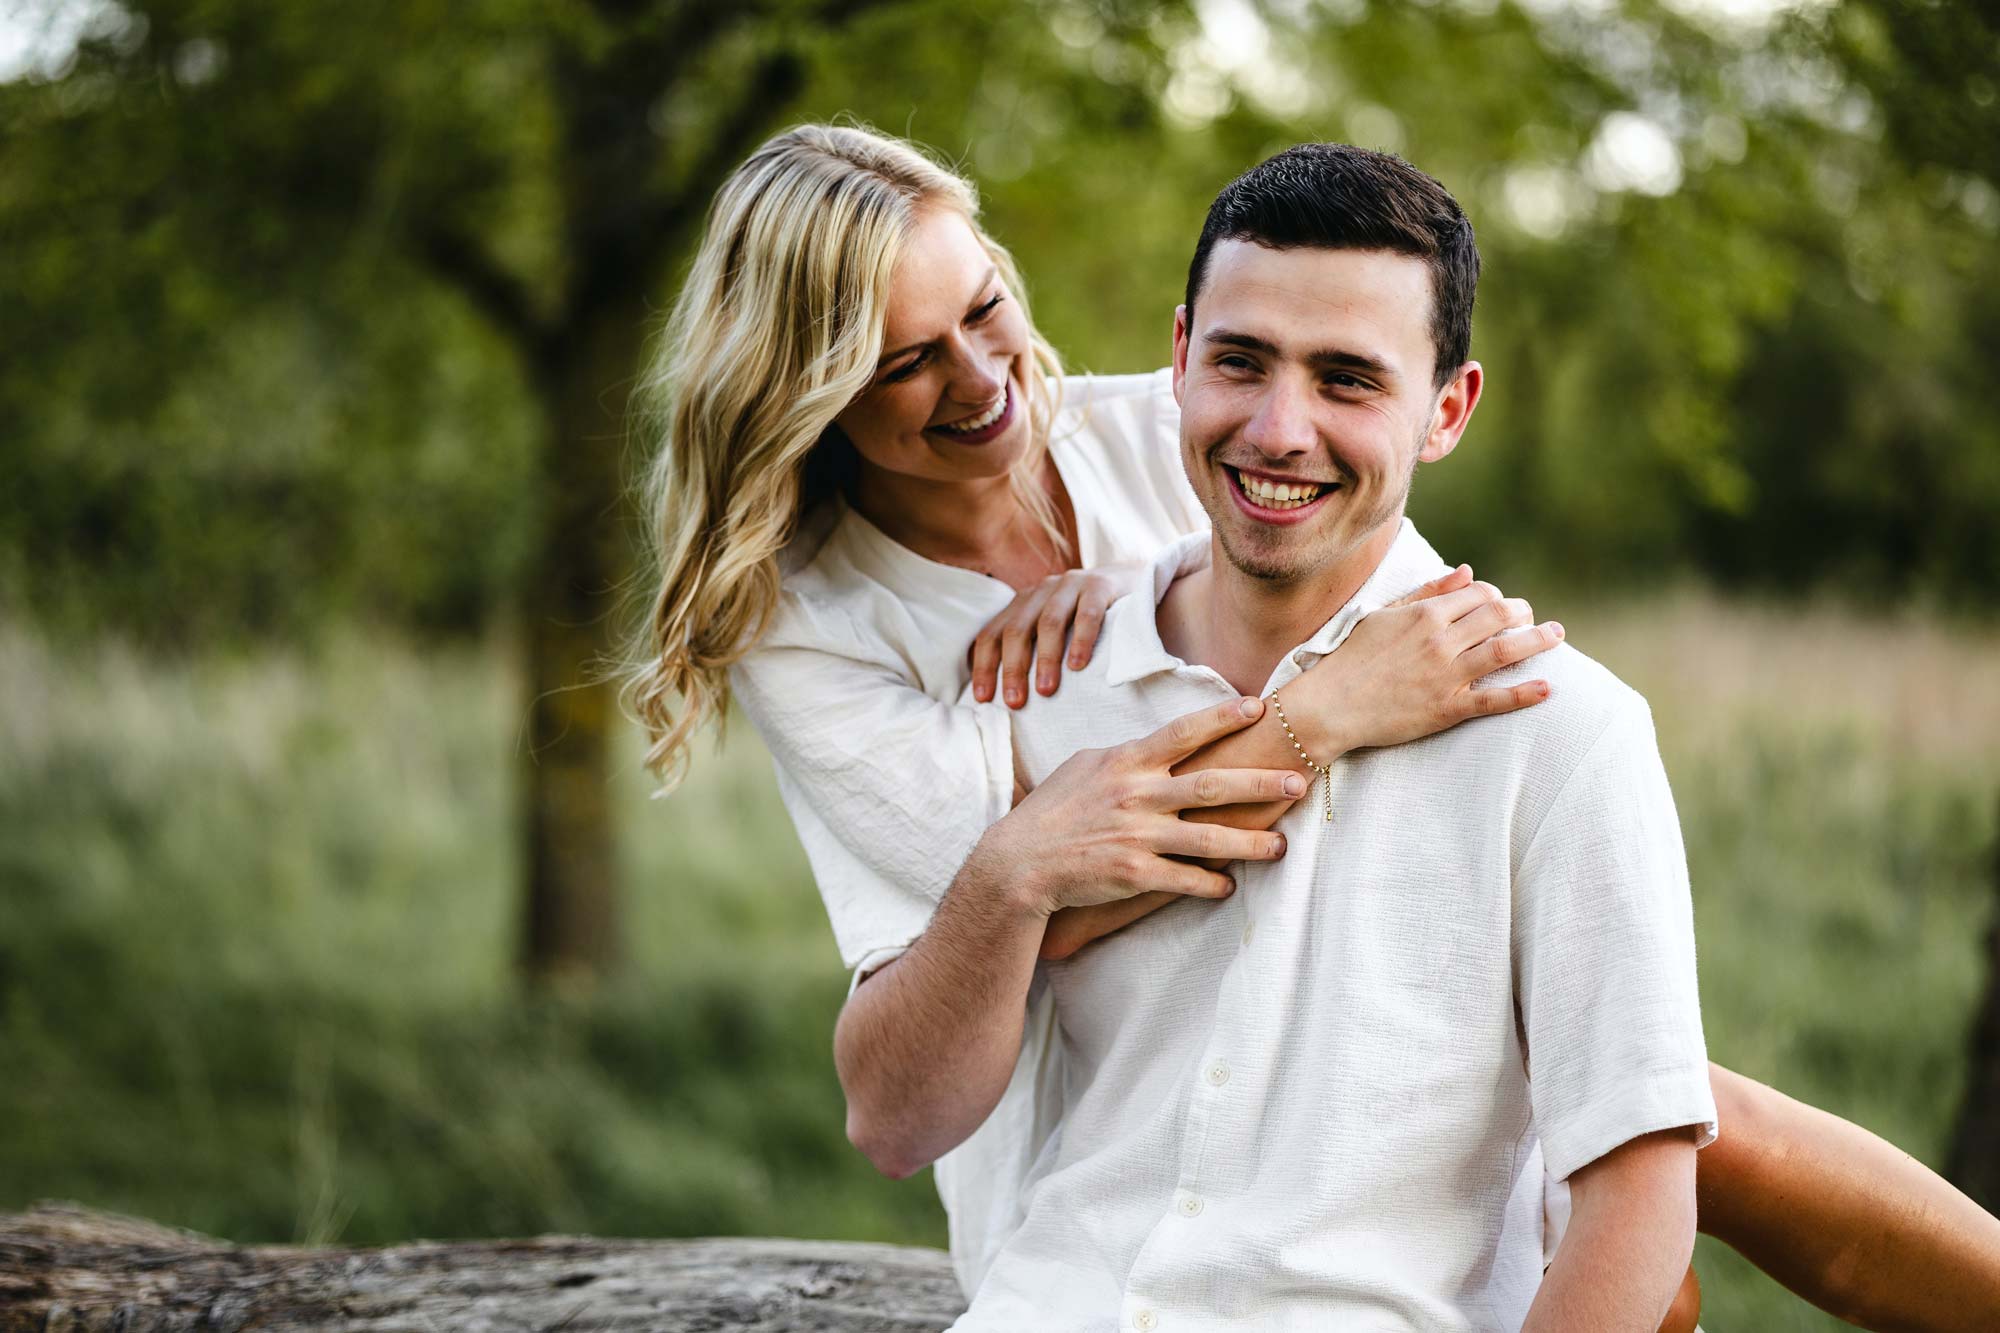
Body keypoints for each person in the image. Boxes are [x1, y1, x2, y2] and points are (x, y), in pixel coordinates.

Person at [627, 123, 2000, 1329]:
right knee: (1652, 1119)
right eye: (904, 363)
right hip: (1074, 1194)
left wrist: (1167, 603)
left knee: (1662, 1112)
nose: (985, 378)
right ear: (812, 394)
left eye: (986, 309)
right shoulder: (828, 631)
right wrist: (1309, 718)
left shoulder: (1150, 439)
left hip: (1394, 1194)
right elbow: (1005, 929)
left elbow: (1332, 537)